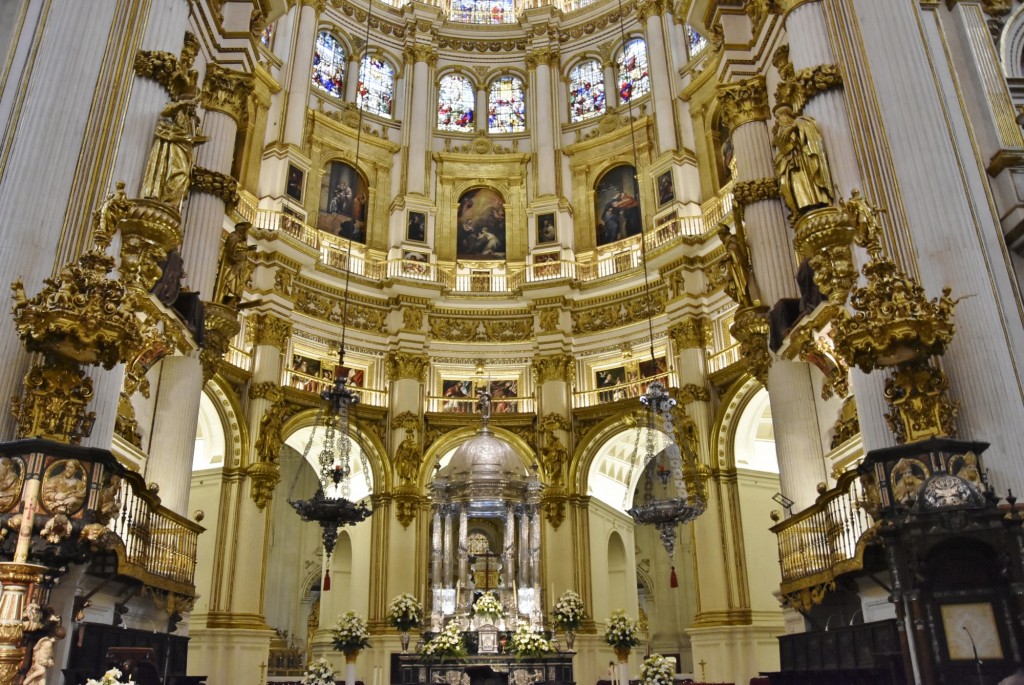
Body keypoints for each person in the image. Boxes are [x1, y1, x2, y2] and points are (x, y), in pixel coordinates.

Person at [140, 95, 205, 208]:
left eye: (195, 105)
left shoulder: (192, 120)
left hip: (186, 148)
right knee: (180, 173)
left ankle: (172, 204)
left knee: (184, 175)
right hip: (174, 144)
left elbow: (191, 137)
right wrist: (182, 103)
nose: (194, 107)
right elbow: (165, 111)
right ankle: (166, 201)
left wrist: (197, 138)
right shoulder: (178, 109)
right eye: (193, 104)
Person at [773, 104, 835, 217]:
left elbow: (809, 130)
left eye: (779, 117)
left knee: (809, 183)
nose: (777, 121)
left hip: (804, 162)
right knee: (790, 184)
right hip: (792, 165)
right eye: (776, 118)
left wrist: (793, 128)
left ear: (786, 115)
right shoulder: (779, 132)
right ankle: (802, 208)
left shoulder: (801, 121)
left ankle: (818, 200)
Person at [218, 222, 257, 303]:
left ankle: (232, 300)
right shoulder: (233, 236)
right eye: (244, 229)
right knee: (228, 282)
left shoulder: (242, 241)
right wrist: (247, 248)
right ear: (239, 229)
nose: (245, 232)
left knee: (236, 287)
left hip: (239, 268)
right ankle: (224, 297)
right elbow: (231, 248)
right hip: (232, 266)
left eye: (246, 231)